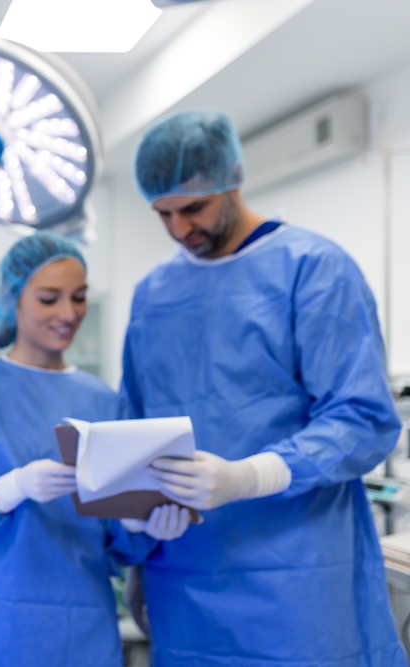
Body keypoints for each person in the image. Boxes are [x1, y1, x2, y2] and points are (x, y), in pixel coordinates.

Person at [123, 109, 406, 665]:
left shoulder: (314, 269)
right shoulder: (154, 295)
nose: (180, 229)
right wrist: (136, 529)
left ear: (232, 177)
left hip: (299, 585)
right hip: (183, 580)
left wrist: (249, 476)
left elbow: (363, 417)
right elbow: (136, 426)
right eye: (163, 213)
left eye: (194, 208)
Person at [0, 232, 192, 667]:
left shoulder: (105, 401)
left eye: (79, 298)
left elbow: (118, 541)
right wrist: (9, 489)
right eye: (48, 298)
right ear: (12, 299)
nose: (68, 313)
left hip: (84, 626)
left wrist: (140, 524)